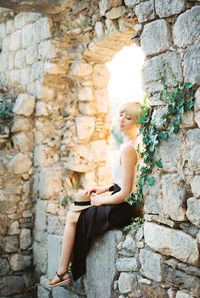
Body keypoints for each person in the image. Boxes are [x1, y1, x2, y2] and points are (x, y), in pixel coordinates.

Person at [49, 102, 143, 288]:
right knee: (74, 215)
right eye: (121, 114)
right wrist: (104, 189)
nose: (122, 120)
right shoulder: (128, 145)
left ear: (137, 123)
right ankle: (63, 271)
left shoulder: (129, 149)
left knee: (73, 217)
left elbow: (126, 192)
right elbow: (126, 181)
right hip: (120, 200)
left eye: (129, 117)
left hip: (124, 206)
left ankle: (62, 272)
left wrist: (100, 202)